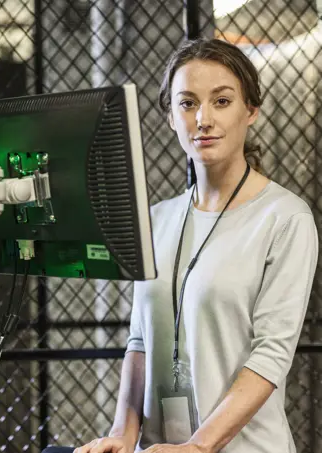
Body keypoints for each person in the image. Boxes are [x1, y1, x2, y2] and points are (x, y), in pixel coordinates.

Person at [43, 38, 319, 453]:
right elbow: (140, 340)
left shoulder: (285, 218)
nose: (203, 118)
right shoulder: (156, 219)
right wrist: (123, 432)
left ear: (251, 110)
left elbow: (271, 355)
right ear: (171, 117)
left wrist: (198, 447)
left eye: (221, 101)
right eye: (187, 103)